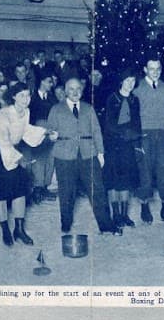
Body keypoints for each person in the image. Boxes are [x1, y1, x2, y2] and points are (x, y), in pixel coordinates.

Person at [46, 78, 120, 235]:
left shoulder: (88, 108)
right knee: (66, 191)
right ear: (65, 91)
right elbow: (50, 131)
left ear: (82, 90)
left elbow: (97, 131)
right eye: (71, 89)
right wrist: (51, 136)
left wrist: (100, 153)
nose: (75, 92)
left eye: (78, 89)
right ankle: (65, 224)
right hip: (64, 155)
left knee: (97, 190)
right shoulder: (56, 109)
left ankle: (106, 225)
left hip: (88, 153)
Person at [0, 83, 56, 246]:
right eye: (22, 96)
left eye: (28, 95)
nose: (26, 99)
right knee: (1, 193)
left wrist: (44, 131)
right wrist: (20, 159)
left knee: (20, 191)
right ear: (13, 97)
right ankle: (5, 229)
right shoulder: (3, 114)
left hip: (14, 149)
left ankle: (19, 229)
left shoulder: (26, 111)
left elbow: (26, 130)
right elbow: (4, 142)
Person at [133, 57, 164, 223]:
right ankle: (145, 207)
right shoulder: (137, 88)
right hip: (144, 135)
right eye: (152, 69)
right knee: (144, 171)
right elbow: (132, 117)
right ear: (145, 69)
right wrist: (136, 139)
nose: (155, 72)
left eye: (158, 69)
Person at [103, 69, 143, 228]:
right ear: (121, 82)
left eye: (133, 81)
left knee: (125, 180)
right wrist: (125, 133)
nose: (130, 84)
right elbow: (109, 124)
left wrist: (136, 137)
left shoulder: (135, 100)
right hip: (113, 144)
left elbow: (137, 122)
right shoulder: (112, 98)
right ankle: (116, 215)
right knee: (113, 180)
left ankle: (125, 214)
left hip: (128, 144)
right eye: (127, 81)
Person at [26, 72, 58, 203]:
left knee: (50, 160)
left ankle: (45, 186)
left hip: (51, 133)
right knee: (39, 160)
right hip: (37, 133)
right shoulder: (31, 98)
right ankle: (37, 189)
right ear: (42, 82)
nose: (51, 84)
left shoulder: (52, 98)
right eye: (49, 81)